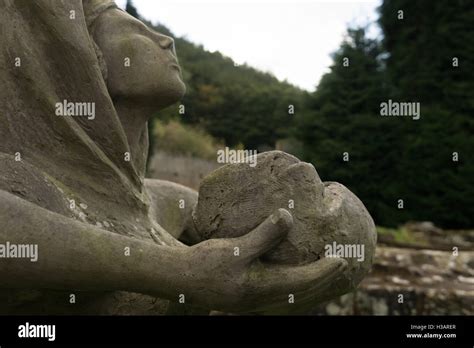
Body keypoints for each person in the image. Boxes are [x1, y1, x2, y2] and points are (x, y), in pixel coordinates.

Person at [0, 0, 346, 314]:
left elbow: (222, 222)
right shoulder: (30, 185)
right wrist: (177, 272)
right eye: (136, 29)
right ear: (85, 63)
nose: (166, 39)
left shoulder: (150, 205)